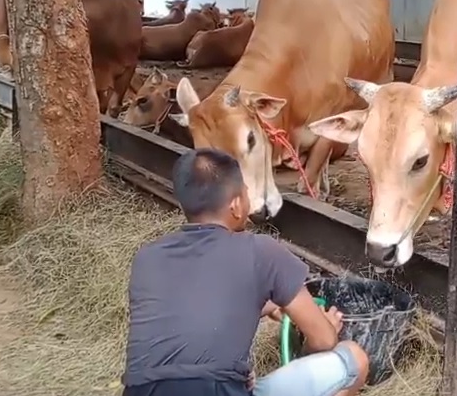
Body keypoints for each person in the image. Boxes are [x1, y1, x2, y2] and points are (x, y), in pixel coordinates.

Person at [123, 147, 370, 396]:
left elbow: (193, 309)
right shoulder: (261, 250)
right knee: (354, 359)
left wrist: (268, 305)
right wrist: (322, 331)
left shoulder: (147, 258)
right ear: (237, 205)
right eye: (247, 190)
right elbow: (324, 341)